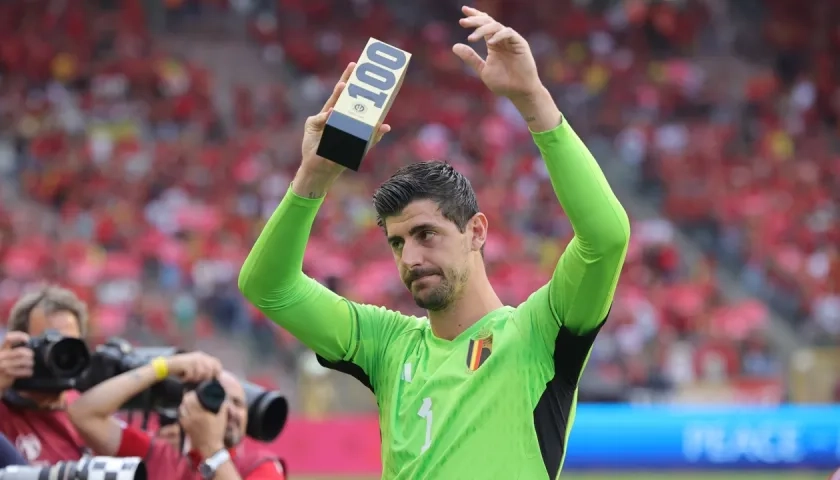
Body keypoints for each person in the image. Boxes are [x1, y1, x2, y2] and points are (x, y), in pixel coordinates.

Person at [238, 5, 630, 480]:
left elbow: (606, 238)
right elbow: (268, 286)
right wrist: (314, 175)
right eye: (398, 242)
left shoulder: (536, 335)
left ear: (477, 232)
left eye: (426, 234)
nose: (412, 257)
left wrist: (533, 100)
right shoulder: (386, 345)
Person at [67, 352, 285, 480]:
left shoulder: (261, 465)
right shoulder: (159, 455)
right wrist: (164, 366)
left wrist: (211, 447)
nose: (229, 411)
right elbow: (83, 414)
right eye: (218, 399)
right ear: (188, 407)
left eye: (238, 403)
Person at [0, 285, 90, 465]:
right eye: (48, 342)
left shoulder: (85, 410)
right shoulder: (4, 410)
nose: (60, 353)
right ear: (20, 346)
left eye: (69, 344)